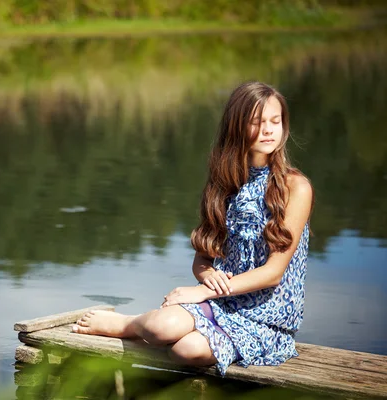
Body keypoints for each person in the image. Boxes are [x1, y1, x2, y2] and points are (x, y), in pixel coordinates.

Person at [72, 81, 314, 375]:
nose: (268, 130)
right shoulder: (224, 184)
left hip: (266, 318)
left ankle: (146, 326)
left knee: (184, 350)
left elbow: (274, 273)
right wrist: (208, 276)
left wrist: (204, 292)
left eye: (275, 121)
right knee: (162, 328)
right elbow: (204, 256)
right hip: (222, 304)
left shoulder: (295, 187)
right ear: (236, 127)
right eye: (257, 122)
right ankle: (127, 324)